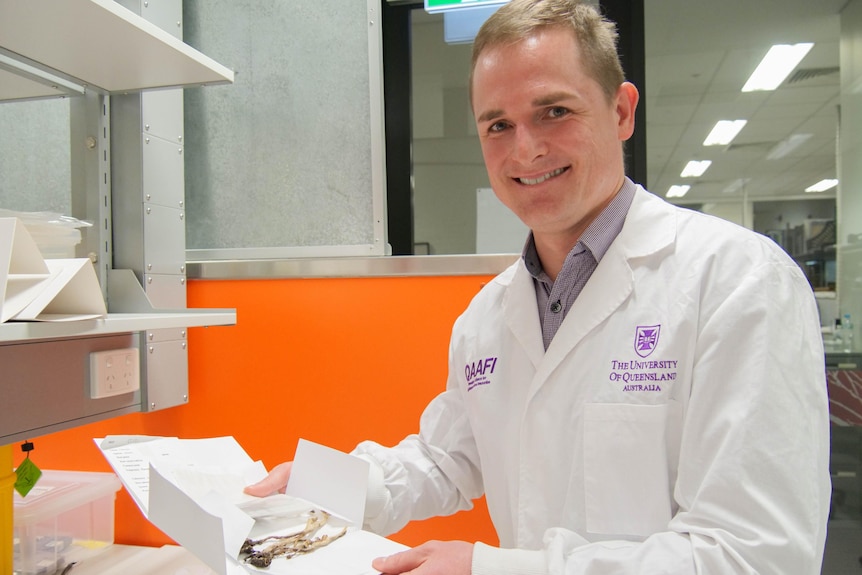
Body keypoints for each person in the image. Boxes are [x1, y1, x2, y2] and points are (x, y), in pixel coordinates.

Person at [245, 1, 831, 573]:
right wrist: (325, 484)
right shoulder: (489, 315)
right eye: (498, 124)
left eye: (554, 111)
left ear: (622, 112)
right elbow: (446, 458)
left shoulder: (738, 281)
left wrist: (492, 568)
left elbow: (754, 555)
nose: (525, 149)